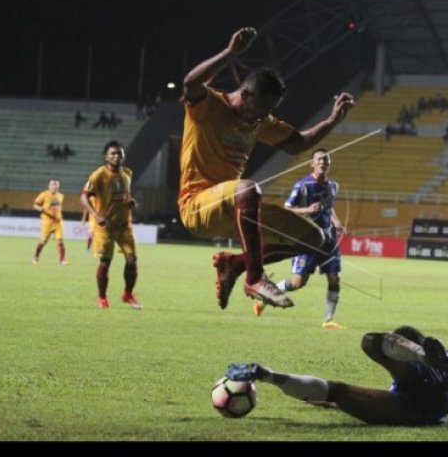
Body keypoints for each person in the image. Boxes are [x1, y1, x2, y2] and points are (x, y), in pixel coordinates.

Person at [178, 26, 355, 311]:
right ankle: (255, 278)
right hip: (197, 206)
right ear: (245, 94)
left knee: (316, 239)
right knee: (248, 188)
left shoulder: (260, 122)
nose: (263, 115)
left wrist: (332, 120)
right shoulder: (209, 106)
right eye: (261, 108)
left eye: (269, 110)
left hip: (235, 207)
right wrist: (230, 53)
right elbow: (190, 84)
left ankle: (233, 264)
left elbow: (298, 143)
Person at [225, 324, 448, 425]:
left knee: (370, 341)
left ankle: (269, 375)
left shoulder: (426, 366)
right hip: (429, 412)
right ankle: (268, 375)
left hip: (408, 406)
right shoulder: (446, 358)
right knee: (336, 393)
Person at [259, 148, 346, 328]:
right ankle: (266, 296)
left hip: (329, 240)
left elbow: (330, 209)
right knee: (298, 283)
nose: (323, 162)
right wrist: (307, 210)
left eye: (326, 160)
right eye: (320, 159)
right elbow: (287, 208)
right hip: (308, 238)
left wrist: (336, 222)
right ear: (312, 163)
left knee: (334, 278)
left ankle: (329, 320)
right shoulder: (303, 185)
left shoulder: (333, 186)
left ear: (330, 164)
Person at [80, 140, 141, 310]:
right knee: (105, 262)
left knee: (132, 260)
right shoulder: (98, 175)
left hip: (124, 226)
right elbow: (84, 197)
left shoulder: (127, 173)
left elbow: (124, 196)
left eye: (119, 153)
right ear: (106, 157)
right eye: (113, 154)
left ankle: (128, 294)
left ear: (124, 156)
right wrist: (96, 215)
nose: (116, 156)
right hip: (105, 227)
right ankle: (102, 297)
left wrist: (130, 202)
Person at [32, 179, 67, 265]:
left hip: (58, 222)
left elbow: (57, 208)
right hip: (47, 221)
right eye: (52, 185)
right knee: (43, 241)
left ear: (58, 186)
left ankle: (62, 260)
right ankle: (36, 256)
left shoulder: (61, 196)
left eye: (56, 185)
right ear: (49, 186)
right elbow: (35, 205)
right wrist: (41, 209)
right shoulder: (44, 194)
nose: (54, 187)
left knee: (60, 241)